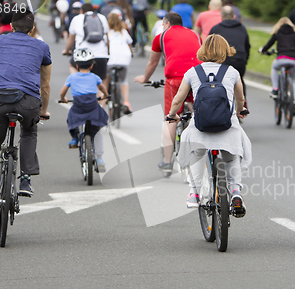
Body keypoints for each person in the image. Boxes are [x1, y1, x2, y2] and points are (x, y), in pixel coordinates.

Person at [0, 10, 52, 225]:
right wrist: (42, 110)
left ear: (10, 26)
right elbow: (45, 85)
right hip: (28, 102)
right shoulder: (42, 47)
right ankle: (26, 179)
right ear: (32, 28)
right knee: (28, 130)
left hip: (0, 101)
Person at [166, 33, 251, 214]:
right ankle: (235, 191)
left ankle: (194, 193)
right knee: (232, 156)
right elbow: (240, 99)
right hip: (227, 127)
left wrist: (172, 115)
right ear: (224, 51)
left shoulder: (192, 73)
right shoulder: (232, 72)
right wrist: (239, 111)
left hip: (201, 128)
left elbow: (177, 100)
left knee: (196, 153)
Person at [133, 12, 201, 173]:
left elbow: (153, 62)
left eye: (163, 25)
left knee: (171, 118)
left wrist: (145, 78)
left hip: (176, 79)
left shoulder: (161, 37)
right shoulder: (195, 34)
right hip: (198, 76)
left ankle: (167, 161)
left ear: (167, 24)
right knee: (197, 110)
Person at [60, 48, 109, 171]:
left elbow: (62, 92)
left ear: (76, 65)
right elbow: (103, 89)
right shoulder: (95, 77)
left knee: (70, 118)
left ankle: (75, 138)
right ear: (92, 65)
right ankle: (99, 158)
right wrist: (105, 96)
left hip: (78, 107)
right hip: (92, 107)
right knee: (97, 130)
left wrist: (63, 98)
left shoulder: (72, 77)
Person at [63, 2, 109, 104]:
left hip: (83, 55)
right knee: (102, 82)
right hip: (101, 54)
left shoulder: (77, 18)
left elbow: (71, 38)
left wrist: (66, 50)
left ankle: (78, 82)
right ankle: (101, 109)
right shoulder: (102, 18)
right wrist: (108, 52)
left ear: (81, 11)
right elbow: (107, 38)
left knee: (72, 64)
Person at [259, 17, 295, 114]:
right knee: (292, 81)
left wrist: (263, 50)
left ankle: (275, 90)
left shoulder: (278, 33)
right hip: (293, 61)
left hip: (281, 59)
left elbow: (269, 44)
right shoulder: (294, 34)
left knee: (274, 68)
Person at [209, 5, 250, 98]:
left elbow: (209, 47)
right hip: (240, 60)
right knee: (239, 79)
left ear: (221, 16)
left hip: (222, 61)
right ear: (234, 16)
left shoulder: (216, 29)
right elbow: (247, 46)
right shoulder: (242, 28)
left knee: (218, 82)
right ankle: (243, 104)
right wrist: (245, 59)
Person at [107, 12, 133, 114]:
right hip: (124, 59)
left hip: (110, 60)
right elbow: (130, 45)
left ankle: (102, 104)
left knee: (105, 80)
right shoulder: (124, 32)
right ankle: (126, 102)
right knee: (124, 81)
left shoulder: (107, 32)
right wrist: (131, 53)